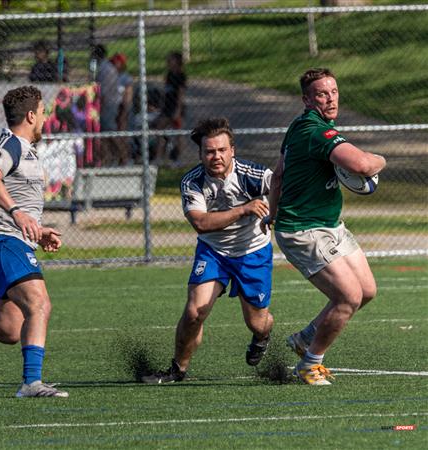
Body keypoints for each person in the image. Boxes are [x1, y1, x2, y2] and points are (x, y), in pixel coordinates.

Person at [262, 68, 386, 385]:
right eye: (321, 94)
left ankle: (306, 337)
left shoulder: (301, 128)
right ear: (306, 100)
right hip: (304, 229)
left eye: (333, 92)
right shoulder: (316, 132)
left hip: (329, 225)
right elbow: (362, 165)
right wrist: (380, 159)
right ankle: (310, 363)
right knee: (348, 297)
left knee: (367, 291)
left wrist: (271, 212)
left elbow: (279, 175)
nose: (330, 98)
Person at [142, 117, 274, 384]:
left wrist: (275, 213)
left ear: (232, 150)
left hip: (253, 252)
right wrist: (244, 209)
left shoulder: (256, 174)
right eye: (210, 151)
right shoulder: (192, 182)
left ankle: (262, 338)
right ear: (201, 153)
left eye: (222, 150)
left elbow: (286, 192)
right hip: (214, 252)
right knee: (195, 312)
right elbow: (201, 223)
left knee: (258, 323)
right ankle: (177, 369)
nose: (216, 156)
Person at [0, 85, 69, 398]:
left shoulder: (24, 148)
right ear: (32, 115)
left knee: (8, 329)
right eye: (43, 114)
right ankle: (31, 383)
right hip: (5, 239)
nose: (45, 120)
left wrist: (39, 227)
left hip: (15, 240)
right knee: (39, 303)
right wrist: (18, 214)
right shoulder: (11, 144)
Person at [152, 51, 187, 165]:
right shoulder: (169, 75)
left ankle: (179, 159)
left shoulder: (180, 75)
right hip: (167, 108)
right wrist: (161, 106)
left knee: (178, 134)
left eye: (171, 59)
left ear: (177, 62)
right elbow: (165, 92)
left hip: (176, 108)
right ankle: (159, 157)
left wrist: (178, 110)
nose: (168, 61)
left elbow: (181, 94)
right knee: (159, 130)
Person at [91, 44, 122, 166]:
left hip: (108, 104)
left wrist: (100, 106)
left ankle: (123, 156)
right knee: (104, 133)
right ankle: (109, 158)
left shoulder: (105, 69)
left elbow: (103, 91)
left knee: (110, 131)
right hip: (109, 103)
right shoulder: (105, 67)